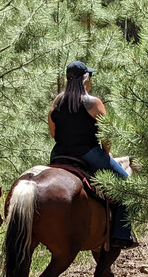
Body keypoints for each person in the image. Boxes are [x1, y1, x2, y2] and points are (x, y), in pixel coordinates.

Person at [48, 60, 138, 250]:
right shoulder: (92, 102)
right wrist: (107, 155)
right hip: (88, 152)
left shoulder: (56, 102)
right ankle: (121, 235)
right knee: (127, 187)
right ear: (85, 78)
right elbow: (106, 135)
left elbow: (53, 133)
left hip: (59, 154)